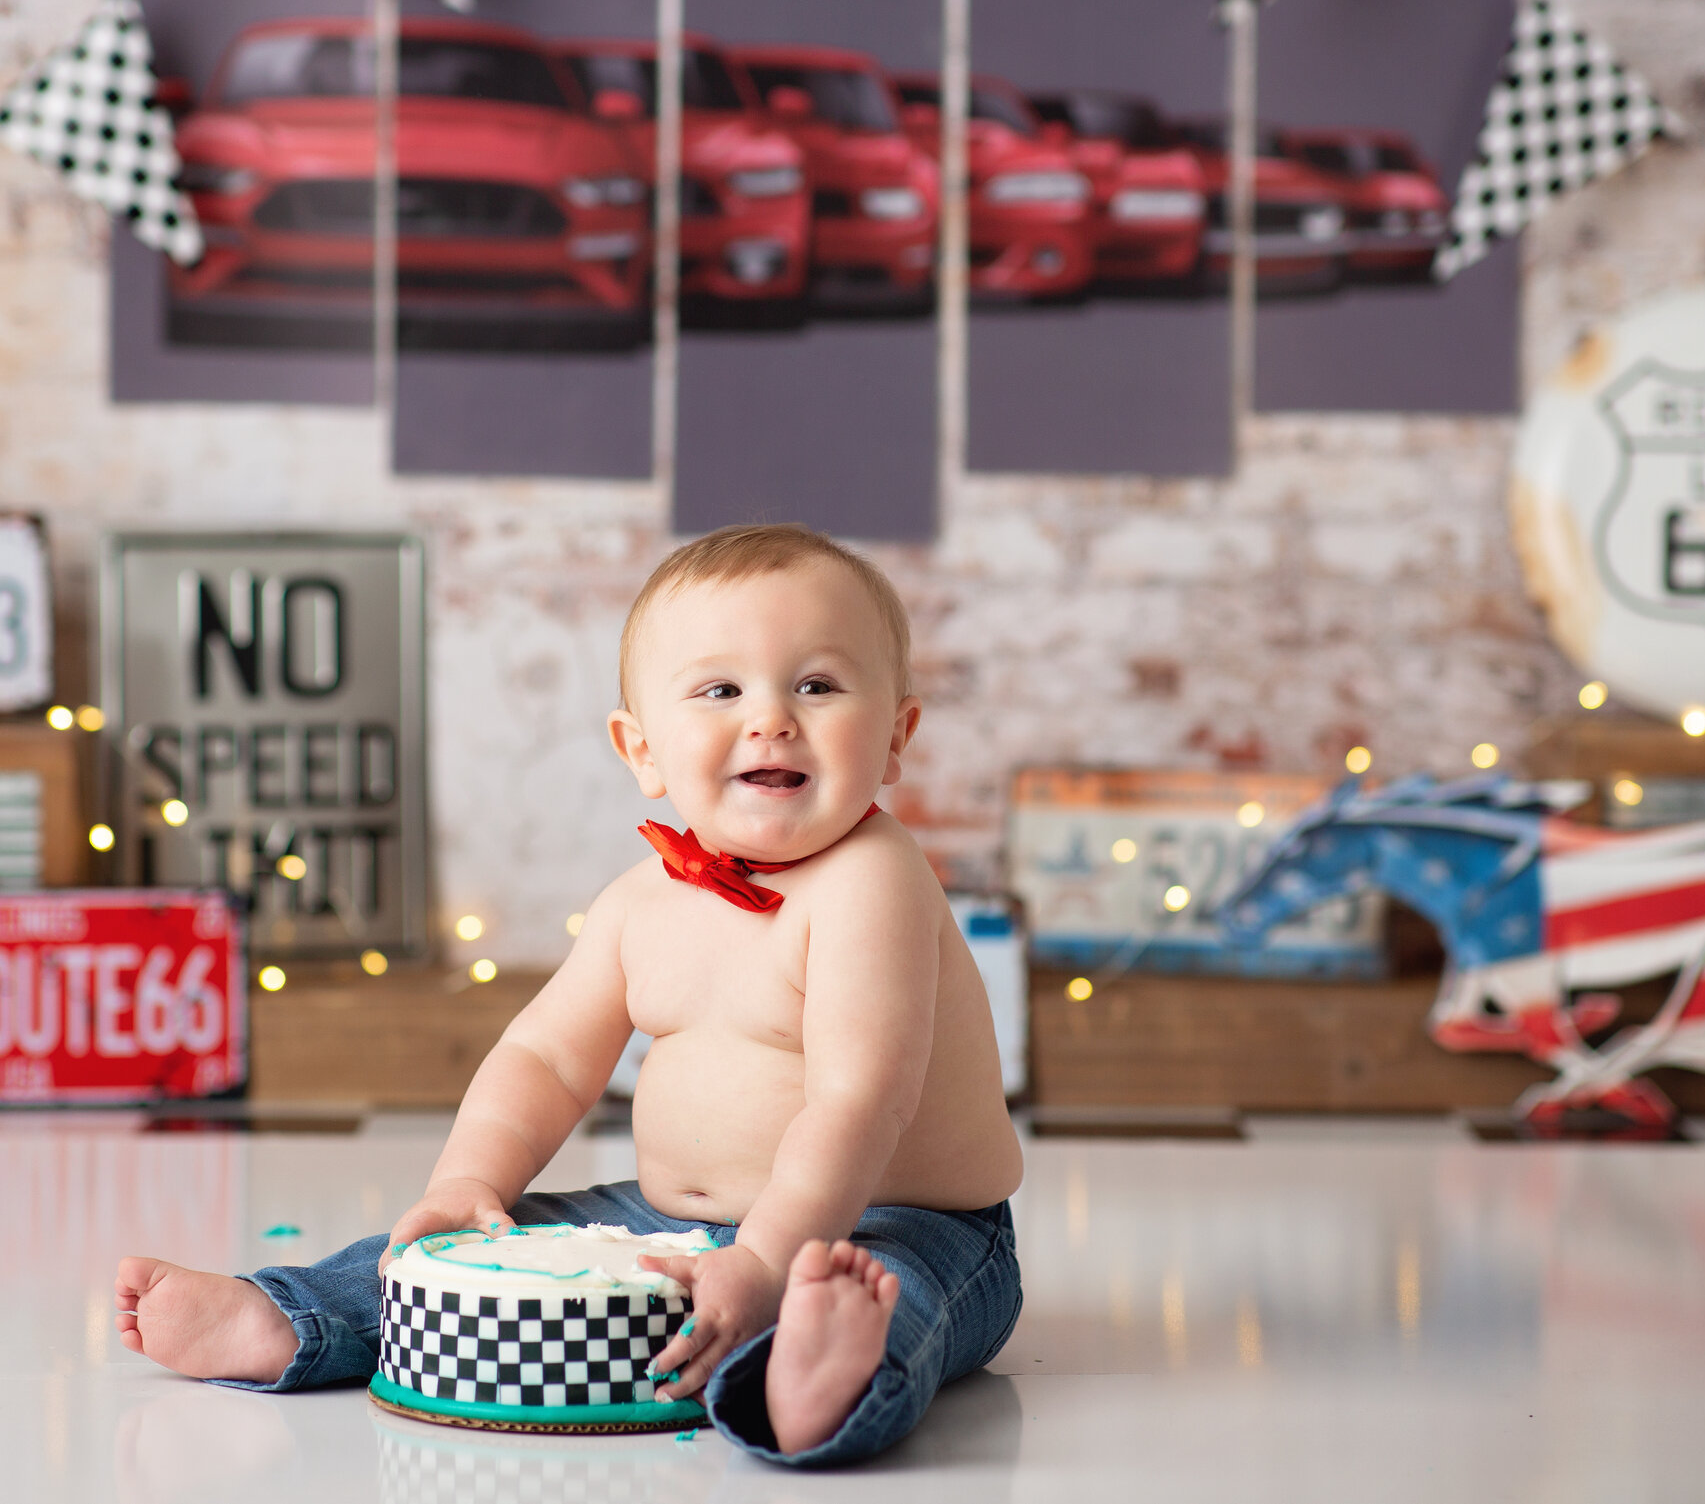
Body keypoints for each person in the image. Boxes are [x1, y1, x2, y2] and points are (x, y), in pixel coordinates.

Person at [114, 524, 1024, 1466]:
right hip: (668, 1219)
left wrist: (767, 1259)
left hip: (902, 1223)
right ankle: (294, 1316)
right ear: (643, 750)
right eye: (721, 689)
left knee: (889, 1299)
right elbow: (544, 1059)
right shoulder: (641, 902)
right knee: (492, 1244)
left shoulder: (873, 882)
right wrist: (471, 1182)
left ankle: (815, 1383)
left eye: (818, 685)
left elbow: (862, 1097)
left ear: (896, 737)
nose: (771, 719)